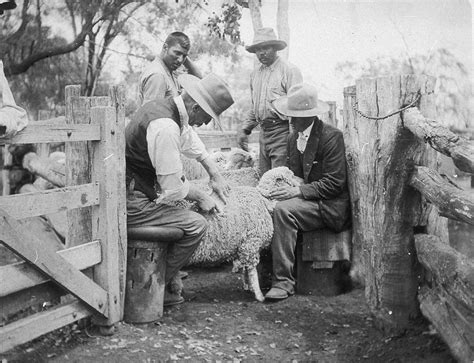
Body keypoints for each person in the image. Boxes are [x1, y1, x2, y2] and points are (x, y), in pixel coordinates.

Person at [126, 73, 234, 306]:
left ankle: (157, 280)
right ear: (195, 107)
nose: (205, 123)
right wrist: (203, 196)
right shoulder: (165, 126)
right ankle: (154, 285)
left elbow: (190, 140)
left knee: (180, 213)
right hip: (132, 202)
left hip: (136, 191)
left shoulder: (167, 110)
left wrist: (214, 173)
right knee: (196, 224)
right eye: (207, 117)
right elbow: (173, 188)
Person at [264, 83, 351, 300]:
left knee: (284, 211)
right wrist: (284, 185)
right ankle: (267, 271)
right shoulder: (293, 138)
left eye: (296, 116)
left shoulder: (331, 137)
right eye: (290, 115)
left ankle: (283, 282)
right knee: (269, 205)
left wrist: (296, 191)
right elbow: (295, 173)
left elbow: (335, 183)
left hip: (329, 205)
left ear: (310, 116)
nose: (291, 121)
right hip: (308, 199)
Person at [237, 27, 303, 176]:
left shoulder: (289, 70)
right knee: (264, 179)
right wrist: (245, 129)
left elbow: (297, 109)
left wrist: (293, 141)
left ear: (275, 48)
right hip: (263, 133)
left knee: (278, 179)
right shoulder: (255, 74)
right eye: (258, 49)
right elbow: (256, 107)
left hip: (282, 132)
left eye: (265, 48)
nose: (261, 53)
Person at [138, 31, 202, 106]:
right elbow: (151, 114)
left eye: (184, 56)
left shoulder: (169, 72)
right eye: (177, 53)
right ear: (165, 47)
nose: (180, 60)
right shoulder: (158, 75)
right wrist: (182, 55)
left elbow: (199, 82)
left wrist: (184, 57)